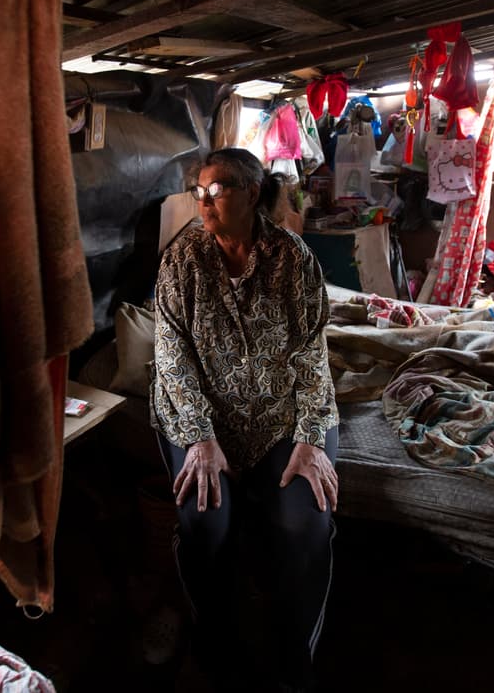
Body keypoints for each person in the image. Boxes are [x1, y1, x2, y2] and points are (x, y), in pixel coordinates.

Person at [151, 148, 338, 691]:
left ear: (253, 193)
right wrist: (201, 439)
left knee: (307, 522)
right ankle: (216, 649)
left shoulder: (293, 258)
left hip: (278, 420)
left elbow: (312, 353)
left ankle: (293, 666)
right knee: (205, 519)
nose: (205, 203)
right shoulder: (181, 259)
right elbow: (171, 356)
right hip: (202, 421)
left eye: (219, 191)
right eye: (200, 193)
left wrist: (311, 437)